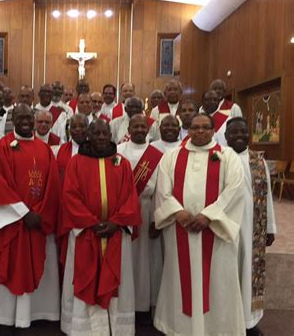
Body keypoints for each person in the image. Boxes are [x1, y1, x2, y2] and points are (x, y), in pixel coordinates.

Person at [153, 113, 245, 335]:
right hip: (180, 230)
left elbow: (234, 190)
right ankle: (179, 328)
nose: (200, 131)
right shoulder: (172, 157)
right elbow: (163, 190)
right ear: (189, 130)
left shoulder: (228, 156)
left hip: (215, 234)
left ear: (214, 130)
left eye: (205, 127)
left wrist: (209, 216)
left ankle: (217, 329)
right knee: (179, 281)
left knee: (217, 282)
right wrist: (178, 212)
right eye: (195, 127)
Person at [0, 104, 61, 333]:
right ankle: (2, 318)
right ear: (12, 119)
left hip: (37, 222)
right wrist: (24, 214)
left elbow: (53, 187)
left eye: (28, 117)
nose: (25, 121)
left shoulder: (44, 150)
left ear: (33, 120)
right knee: (6, 267)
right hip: (10, 224)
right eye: (20, 117)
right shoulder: (1, 148)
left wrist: (40, 213)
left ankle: (31, 317)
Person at [60, 119, 141, 335]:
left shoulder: (121, 163)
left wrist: (116, 222)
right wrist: (91, 222)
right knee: (85, 277)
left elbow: (130, 197)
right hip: (86, 233)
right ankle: (85, 328)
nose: (101, 137)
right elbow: (70, 196)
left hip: (115, 233)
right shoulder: (76, 162)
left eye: (105, 133)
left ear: (110, 134)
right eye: (96, 133)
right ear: (88, 135)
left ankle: (116, 327)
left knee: (117, 281)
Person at [225, 117, 276, 336]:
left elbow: (268, 195)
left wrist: (270, 226)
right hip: (225, 226)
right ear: (226, 136)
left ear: (249, 135)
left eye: (243, 132)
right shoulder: (219, 158)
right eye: (234, 132)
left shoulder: (258, 161)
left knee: (248, 272)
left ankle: (248, 321)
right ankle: (226, 320)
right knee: (226, 272)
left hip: (251, 225)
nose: (239, 136)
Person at [117, 114, 164, 326]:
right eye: (135, 126)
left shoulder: (157, 154)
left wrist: (157, 218)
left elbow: (161, 190)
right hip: (123, 214)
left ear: (148, 129)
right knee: (126, 260)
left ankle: (144, 306)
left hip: (146, 213)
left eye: (142, 126)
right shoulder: (118, 151)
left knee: (148, 261)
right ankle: (125, 305)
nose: (138, 129)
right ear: (128, 128)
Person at [53, 114, 89, 179]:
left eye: (81, 126)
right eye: (74, 127)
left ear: (88, 129)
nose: (77, 129)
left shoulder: (95, 150)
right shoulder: (58, 150)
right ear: (70, 131)